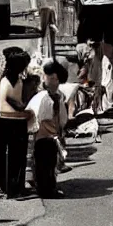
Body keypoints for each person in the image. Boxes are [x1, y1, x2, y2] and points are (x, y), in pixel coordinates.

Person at [0, 48, 32, 198]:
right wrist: (25, 107)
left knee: (17, 157)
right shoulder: (6, 81)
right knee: (9, 156)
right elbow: (9, 99)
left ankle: (15, 187)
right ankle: (9, 187)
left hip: (15, 121)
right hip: (8, 120)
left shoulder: (18, 80)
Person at [28, 60, 68, 199]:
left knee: (50, 164)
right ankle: (46, 190)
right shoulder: (42, 97)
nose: (53, 82)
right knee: (43, 164)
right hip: (43, 135)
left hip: (52, 135)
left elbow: (61, 118)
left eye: (55, 79)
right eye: (50, 78)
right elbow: (39, 116)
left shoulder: (58, 96)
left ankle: (50, 187)